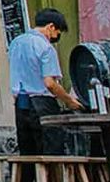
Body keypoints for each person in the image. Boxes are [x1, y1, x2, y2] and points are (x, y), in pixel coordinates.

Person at [9, 8, 83, 162]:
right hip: (42, 104)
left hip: (20, 103)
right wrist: (69, 101)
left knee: (28, 154)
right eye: (58, 32)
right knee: (51, 154)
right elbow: (49, 83)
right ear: (51, 27)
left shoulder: (15, 43)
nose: (56, 37)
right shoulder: (45, 47)